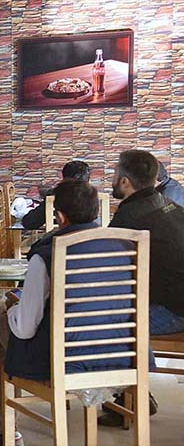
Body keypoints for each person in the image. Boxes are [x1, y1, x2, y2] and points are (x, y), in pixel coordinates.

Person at [0, 180, 140, 446]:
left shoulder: (48, 254)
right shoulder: (126, 246)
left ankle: (5, 428)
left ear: (59, 216)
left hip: (63, 360)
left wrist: (14, 307)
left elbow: (26, 328)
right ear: (96, 212)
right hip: (119, 355)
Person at [98, 150, 184, 426]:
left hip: (173, 312)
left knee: (102, 319)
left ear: (124, 182)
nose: (113, 180)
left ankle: (132, 396)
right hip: (176, 302)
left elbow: (105, 272)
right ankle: (132, 393)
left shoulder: (129, 218)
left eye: (114, 175)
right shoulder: (171, 206)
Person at [20, 160, 90, 230]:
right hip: (92, 238)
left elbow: (29, 223)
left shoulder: (56, 195)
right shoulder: (93, 196)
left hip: (63, 238)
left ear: (64, 178)